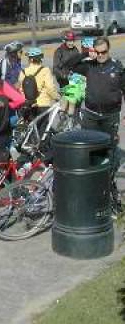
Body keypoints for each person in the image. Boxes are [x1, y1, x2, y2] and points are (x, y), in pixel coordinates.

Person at [66, 37, 125, 209]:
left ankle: (108, 190)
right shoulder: (88, 66)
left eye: (103, 52)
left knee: (110, 155)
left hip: (110, 118)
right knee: (89, 154)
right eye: (97, 52)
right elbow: (70, 65)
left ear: (109, 50)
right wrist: (84, 54)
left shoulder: (117, 67)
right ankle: (90, 190)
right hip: (91, 117)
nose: (100, 55)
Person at [18, 48, 59, 132]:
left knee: (31, 129)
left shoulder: (23, 72)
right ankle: (41, 144)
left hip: (28, 104)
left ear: (30, 59)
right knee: (42, 128)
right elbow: (50, 88)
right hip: (42, 104)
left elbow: (20, 89)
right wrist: (56, 97)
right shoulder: (45, 70)